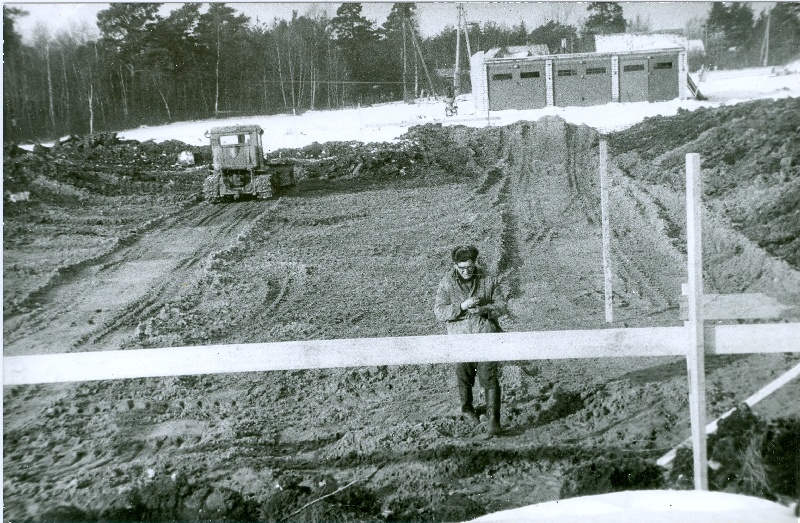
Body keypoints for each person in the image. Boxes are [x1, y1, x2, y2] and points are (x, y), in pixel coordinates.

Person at [433, 245, 508, 437]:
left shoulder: (488, 280)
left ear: (475, 263)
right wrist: (461, 306)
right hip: (460, 339)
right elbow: (439, 312)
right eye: (461, 268)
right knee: (464, 377)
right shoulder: (447, 283)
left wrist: (484, 310)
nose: (466, 271)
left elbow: (501, 306)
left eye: (469, 267)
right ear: (455, 266)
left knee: (489, 377)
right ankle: (467, 411)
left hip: (485, 336)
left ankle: (493, 421)